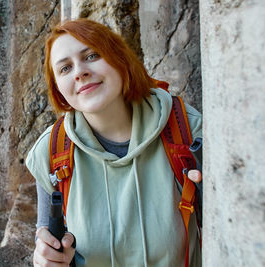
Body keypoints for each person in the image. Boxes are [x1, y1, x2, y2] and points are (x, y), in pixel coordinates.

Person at [26, 18, 202, 267]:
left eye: (91, 55)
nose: (79, 72)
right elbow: (48, 240)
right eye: (65, 68)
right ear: (58, 89)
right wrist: (46, 258)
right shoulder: (52, 152)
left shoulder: (184, 129)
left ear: (119, 58)